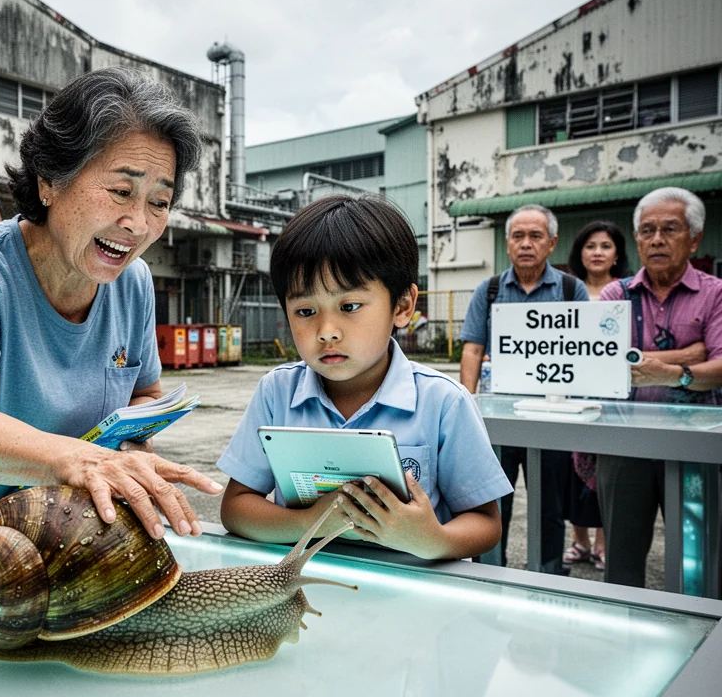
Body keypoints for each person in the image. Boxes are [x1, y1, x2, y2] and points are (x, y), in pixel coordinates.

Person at [0, 67, 223, 580]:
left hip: (53, 540)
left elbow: (144, 394)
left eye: (159, 203)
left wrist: (131, 449)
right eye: (121, 191)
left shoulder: (134, 281)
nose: (138, 223)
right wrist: (85, 461)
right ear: (49, 180)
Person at [217, 195, 509, 558]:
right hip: (305, 583)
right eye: (305, 311)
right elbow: (236, 507)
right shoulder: (277, 392)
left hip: (409, 587)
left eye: (349, 306)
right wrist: (310, 522)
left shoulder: (443, 402)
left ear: (402, 306)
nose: (326, 331)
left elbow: (486, 523)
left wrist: (433, 539)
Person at [597, 188, 722, 588]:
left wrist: (668, 373)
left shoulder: (715, 293)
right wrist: (689, 356)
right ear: (636, 239)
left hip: (696, 442)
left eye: (670, 229)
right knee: (621, 561)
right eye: (647, 230)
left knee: (700, 559)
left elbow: (720, 366)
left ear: (694, 238)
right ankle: (623, 624)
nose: (656, 240)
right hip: (623, 441)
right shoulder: (616, 294)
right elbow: (600, 362)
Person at [459, 204, 589, 574]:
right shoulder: (489, 290)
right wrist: (468, 408)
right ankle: (489, 576)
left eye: (535, 236)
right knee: (492, 506)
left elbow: (586, 352)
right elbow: (472, 349)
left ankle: (549, 576)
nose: (526, 243)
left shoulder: (570, 289)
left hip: (551, 419)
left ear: (552, 243)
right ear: (507, 243)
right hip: (497, 421)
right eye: (518, 236)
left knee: (550, 508)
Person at [562, 221, 630, 571]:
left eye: (606, 246)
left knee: (607, 473)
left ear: (617, 254)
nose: (598, 252)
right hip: (571, 391)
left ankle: (604, 544)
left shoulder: (627, 292)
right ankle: (580, 541)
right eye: (590, 246)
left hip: (613, 397)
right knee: (573, 471)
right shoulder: (567, 290)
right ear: (580, 253)